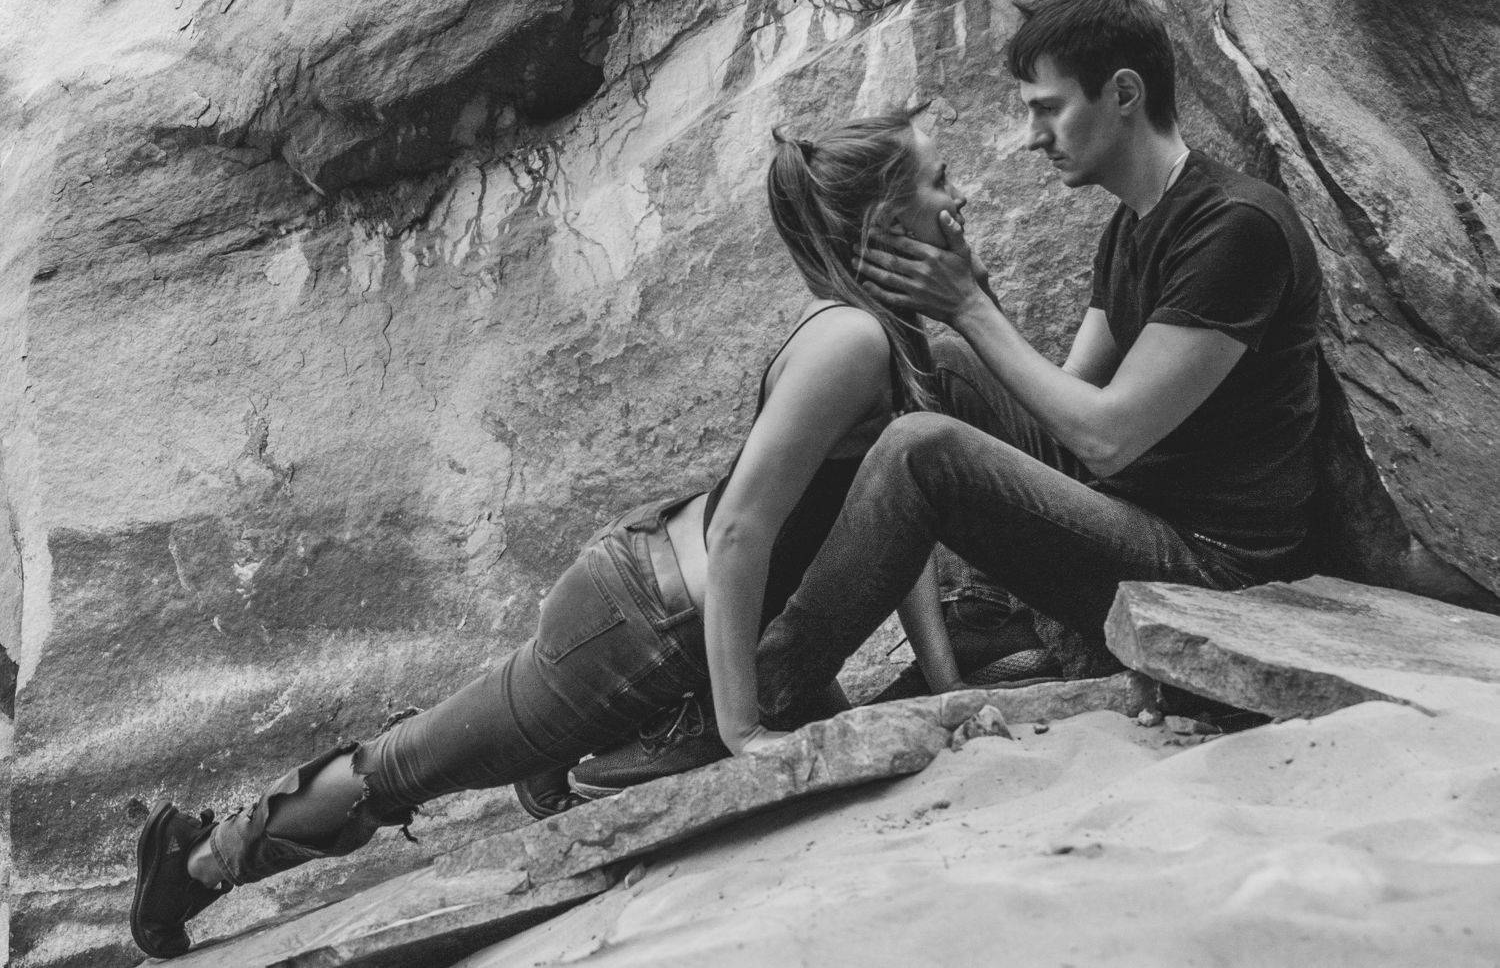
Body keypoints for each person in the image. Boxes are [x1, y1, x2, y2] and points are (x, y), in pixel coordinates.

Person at [129, 108, 978, 959]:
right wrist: (742, 732)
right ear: (884, 218)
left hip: (666, 616)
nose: (961, 196)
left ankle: (558, 747)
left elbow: (896, 533)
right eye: (940, 181)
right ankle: (197, 857)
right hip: (641, 624)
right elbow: (741, 533)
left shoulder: (891, 338)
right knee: (407, 767)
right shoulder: (850, 340)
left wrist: (945, 684)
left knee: (484, 741)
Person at [745, 0, 1322, 730]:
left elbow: (1106, 438)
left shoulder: (1235, 228)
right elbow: (1064, 400)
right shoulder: (1133, 226)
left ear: (1124, 94)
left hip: (1210, 572)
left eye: (1047, 109)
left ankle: (764, 692)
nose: (1031, 137)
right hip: (1137, 511)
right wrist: (975, 298)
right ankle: (934, 623)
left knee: (925, 450)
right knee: (945, 369)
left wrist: (971, 308)